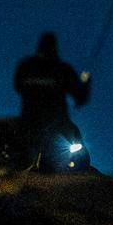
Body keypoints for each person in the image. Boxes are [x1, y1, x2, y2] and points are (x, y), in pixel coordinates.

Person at [13, 32, 91, 170]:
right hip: (56, 125)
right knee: (72, 143)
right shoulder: (63, 69)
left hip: (29, 122)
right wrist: (86, 82)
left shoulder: (25, 66)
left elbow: (17, 86)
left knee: (25, 156)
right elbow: (80, 97)